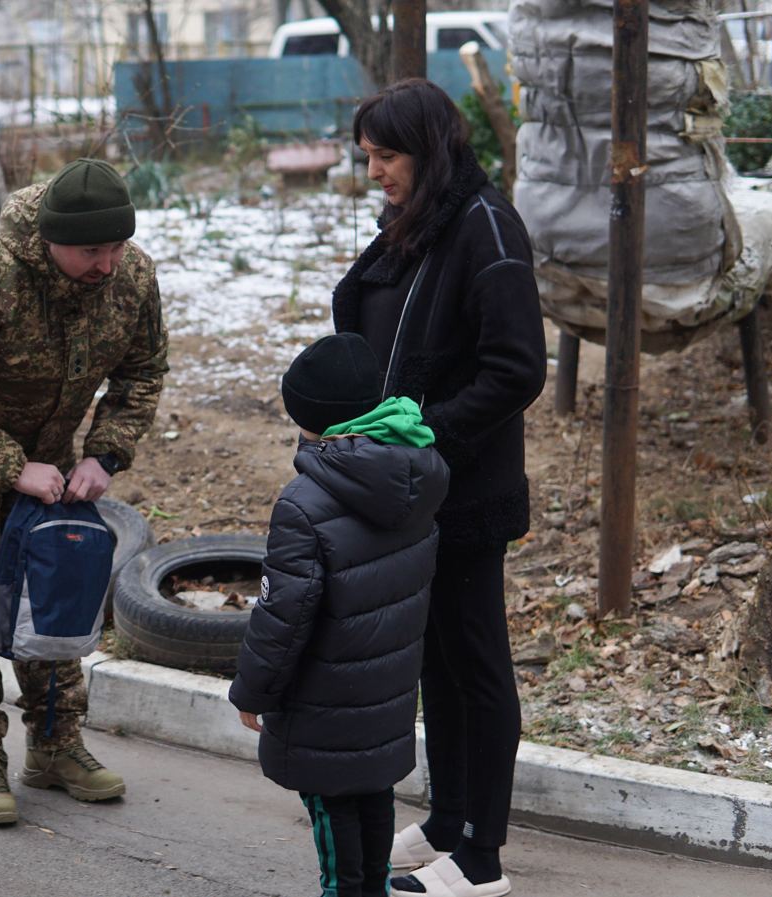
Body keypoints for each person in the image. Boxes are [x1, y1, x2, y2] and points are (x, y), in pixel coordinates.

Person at [0, 158, 168, 826]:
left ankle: (55, 743)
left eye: (116, 246)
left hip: (53, 474)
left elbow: (142, 373)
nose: (106, 263)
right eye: (90, 250)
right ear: (50, 241)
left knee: (54, 604)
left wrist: (104, 454)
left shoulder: (131, 278)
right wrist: (9, 464)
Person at [332, 79, 547, 897]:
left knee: (477, 662)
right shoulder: (422, 222)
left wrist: (427, 429)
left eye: (386, 157)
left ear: (429, 149)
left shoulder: (485, 228)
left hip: (464, 488)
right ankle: (450, 821)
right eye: (369, 159)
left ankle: (482, 859)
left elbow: (517, 366)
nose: (375, 172)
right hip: (415, 487)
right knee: (437, 661)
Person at [231, 333, 449, 897]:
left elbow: (282, 614)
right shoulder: (417, 472)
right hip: (388, 690)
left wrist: (254, 692)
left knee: (330, 816)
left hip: (323, 700)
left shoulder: (304, 504)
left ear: (308, 421)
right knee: (373, 794)